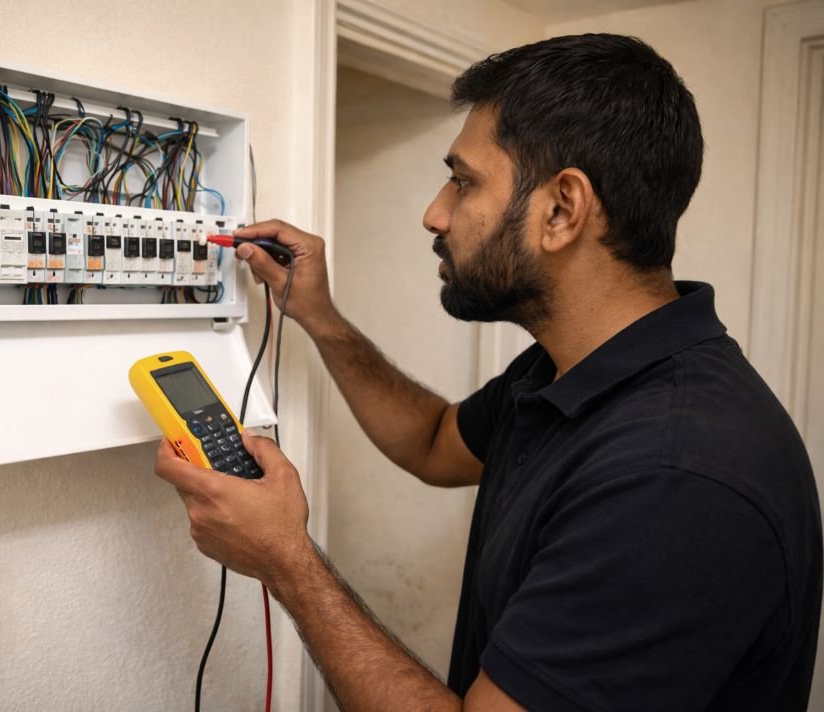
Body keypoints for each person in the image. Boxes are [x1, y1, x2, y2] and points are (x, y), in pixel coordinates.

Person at [153, 33, 822, 710]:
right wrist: (320, 316)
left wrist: (287, 562)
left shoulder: (674, 477)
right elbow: (435, 441)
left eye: (464, 180)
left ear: (562, 210)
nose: (436, 213)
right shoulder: (572, 369)